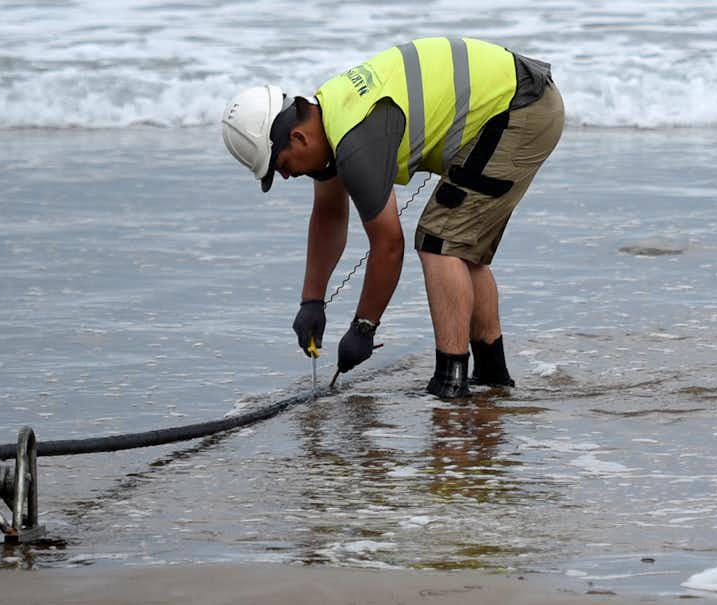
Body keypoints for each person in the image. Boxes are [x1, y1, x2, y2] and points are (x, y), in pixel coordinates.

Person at [221, 36, 564, 400]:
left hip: (519, 109)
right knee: (459, 247)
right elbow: (329, 214)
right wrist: (311, 302)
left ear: (298, 137)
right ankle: (492, 377)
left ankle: (451, 382)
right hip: (516, 102)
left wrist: (364, 327)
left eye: (281, 166)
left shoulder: (355, 141)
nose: (287, 176)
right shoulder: (331, 115)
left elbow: (388, 246)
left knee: (439, 243)